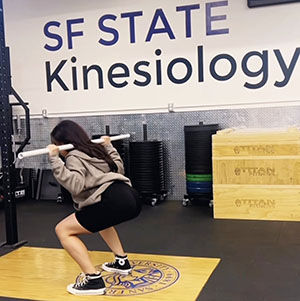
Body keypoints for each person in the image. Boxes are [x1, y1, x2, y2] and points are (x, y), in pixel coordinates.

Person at [47, 120, 141, 296]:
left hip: (113, 200)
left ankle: (93, 280)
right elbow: (118, 169)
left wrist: (55, 159)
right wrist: (109, 147)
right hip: (131, 197)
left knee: (63, 230)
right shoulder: (96, 150)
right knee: (102, 221)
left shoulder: (74, 156)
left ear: (61, 144)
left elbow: (75, 185)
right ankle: (122, 261)